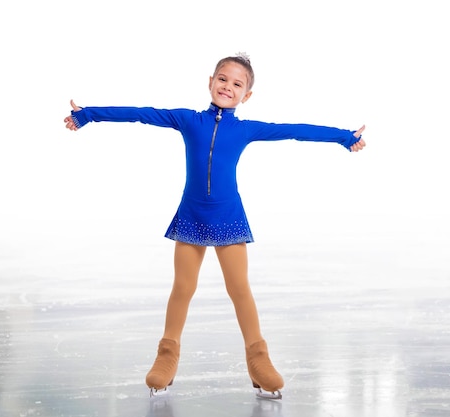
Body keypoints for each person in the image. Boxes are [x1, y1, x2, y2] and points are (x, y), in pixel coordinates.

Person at [63, 53, 366, 399]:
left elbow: (295, 131)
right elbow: (140, 114)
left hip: (227, 217)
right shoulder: (188, 121)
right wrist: (88, 114)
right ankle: (167, 354)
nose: (228, 87)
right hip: (192, 215)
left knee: (239, 289)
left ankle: (258, 357)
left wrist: (344, 137)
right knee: (183, 287)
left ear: (246, 95)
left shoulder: (245, 129)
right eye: (223, 79)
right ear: (210, 81)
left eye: (237, 84)